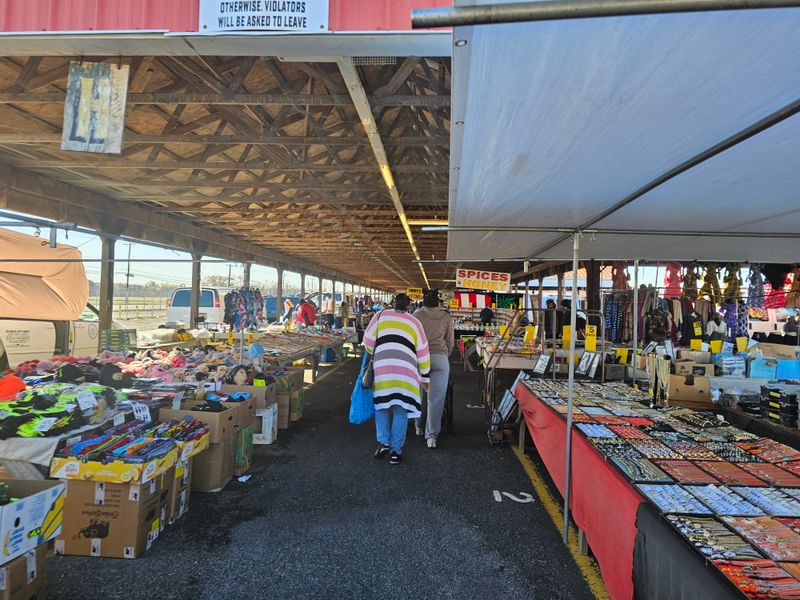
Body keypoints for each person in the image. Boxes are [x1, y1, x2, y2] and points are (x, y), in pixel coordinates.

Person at [362, 293, 430, 465]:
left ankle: (383, 442)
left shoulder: (380, 316)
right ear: (409, 305)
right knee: (400, 409)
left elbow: (368, 342)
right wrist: (425, 375)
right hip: (405, 371)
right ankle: (395, 452)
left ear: (393, 303)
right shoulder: (415, 322)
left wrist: (379, 350)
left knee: (382, 405)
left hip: (383, 368)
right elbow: (423, 350)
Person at [413, 289, 455, 448]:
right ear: (438, 302)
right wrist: (445, 356)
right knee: (436, 398)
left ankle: (418, 426)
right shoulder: (446, 317)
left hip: (420, 358)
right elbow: (450, 341)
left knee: (420, 394)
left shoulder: (416, 316)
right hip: (440, 359)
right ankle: (432, 437)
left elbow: (412, 338)